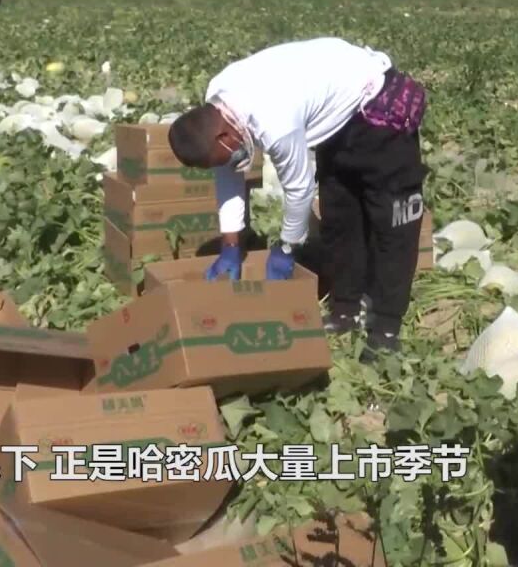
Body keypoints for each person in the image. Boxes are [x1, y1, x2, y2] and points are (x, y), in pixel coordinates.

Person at [166, 37, 428, 364]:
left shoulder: (274, 120)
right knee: (339, 217)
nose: (228, 163)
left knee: (392, 224)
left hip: (375, 107)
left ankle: (386, 328)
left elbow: (299, 189)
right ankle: (345, 309)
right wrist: (231, 244)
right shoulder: (217, 100)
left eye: (224, 156)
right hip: (332, 116)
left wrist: (287, 247)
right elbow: (227, 172)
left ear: (224, 136)